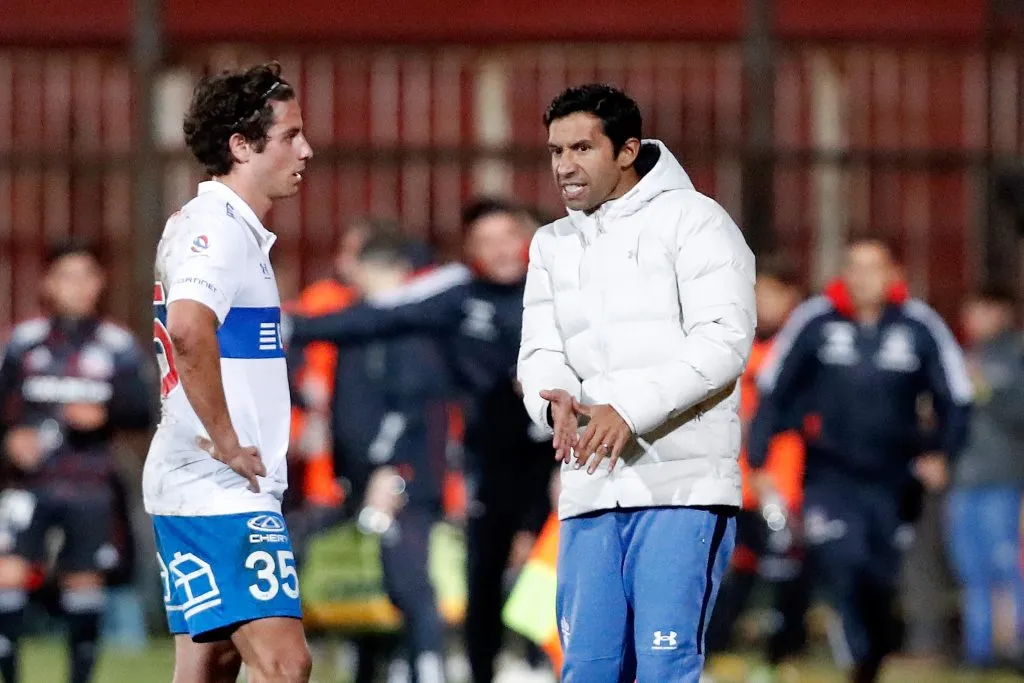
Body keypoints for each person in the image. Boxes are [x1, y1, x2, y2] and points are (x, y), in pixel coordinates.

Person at [516, 83, 755, 683]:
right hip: (591, 485)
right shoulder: (552, 243)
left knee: (663, 666)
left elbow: (723, 341)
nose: (563, 166)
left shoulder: (695, 220)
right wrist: (554, 406)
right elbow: (540, 350)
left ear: (627, 151)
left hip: (681, 485)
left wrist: (628, 409)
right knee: (588, 669)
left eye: (581, 148)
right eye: (554, 151)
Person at [289, 198, 556, 683]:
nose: (499, 250)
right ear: (471, 249)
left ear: (527, 239)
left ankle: (565, 665)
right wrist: (290, 327)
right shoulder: (458, 293)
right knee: (485, 576)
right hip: (492, 463)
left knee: (565, 568)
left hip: (563, 459)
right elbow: (379, 317)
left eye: (507, 238)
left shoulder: (562, 286)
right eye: (486, 241)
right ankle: (485, 671)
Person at [144, 62, 314, 683]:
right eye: (290, 135)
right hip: (214, 483)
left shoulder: (230, 227)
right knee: (285, 663)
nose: (306, 149)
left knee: (209, 664)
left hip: (212, 480)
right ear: (241, 146)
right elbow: (189, 329)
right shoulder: (216, 228)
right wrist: (223, 438)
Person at [748, 235, 973, 683]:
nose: (862, 277)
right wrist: (758, 462)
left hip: (895, 479)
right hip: (830, 474)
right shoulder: (815, 321)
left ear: (893, 275)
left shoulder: (919, 325)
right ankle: (856, 657)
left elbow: (957, 396)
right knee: (839, 558)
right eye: (854, 266)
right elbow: (773, 391)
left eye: (873, 267)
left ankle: (872, 654)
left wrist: (941, 453)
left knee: (879, 576)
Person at [0, 239, 156, 683]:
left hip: (89, 484)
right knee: (8, 574)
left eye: (87, 276)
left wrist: (105, 414)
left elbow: (142, 411)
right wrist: (12, 440)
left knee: (84, 582)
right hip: (29, 484)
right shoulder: (23, 343)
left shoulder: (117, 345)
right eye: (67, 276)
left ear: (100, 283)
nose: (78, 287)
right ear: (49, 283)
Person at [705, 254, 810, 680]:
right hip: (735, 480)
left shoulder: (801, 348)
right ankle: (718, 648)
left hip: (783, 480)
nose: (760, 302)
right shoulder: (731, 344)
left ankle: (782, 654)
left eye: (770, 294)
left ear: (791, 298)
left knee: (786, 567)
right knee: (732, 567)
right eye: (754, 293)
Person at [947, 286, 1024, 670]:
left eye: (982, 311)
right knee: (970, 570)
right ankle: (978, 652)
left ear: (1002, 313)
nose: (974, 320)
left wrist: (988, 390)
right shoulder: (961, 356)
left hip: (1003, 482)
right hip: (963, 483)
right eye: (970, 312)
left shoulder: (1016, 357)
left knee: (1005, 569)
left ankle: (1014, 647)